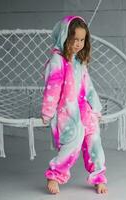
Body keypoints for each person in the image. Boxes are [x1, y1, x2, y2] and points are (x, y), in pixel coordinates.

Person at [41, 15, 108, 194]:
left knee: (94, 139)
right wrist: (47, 113)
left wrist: (96, 107)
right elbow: (52, 89)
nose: (78, 44)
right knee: (74, 138)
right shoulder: (57, 61)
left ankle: (98, 176)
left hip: (83, 108)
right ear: (64, 37)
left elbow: (88, 86)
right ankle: (54, 174)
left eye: (82, 40)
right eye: (74, 39)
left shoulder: (79, 62)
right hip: (66, 109)